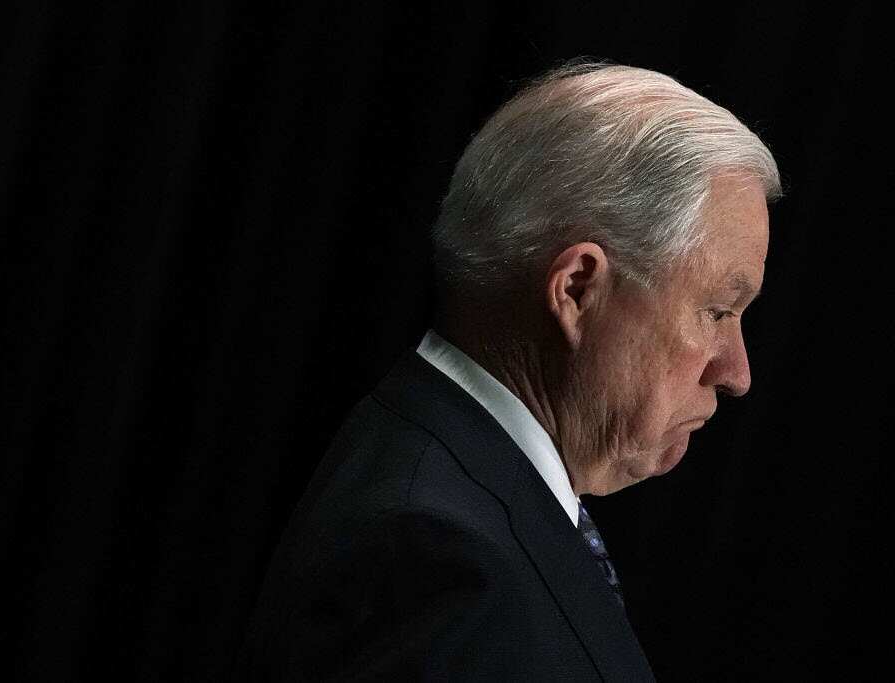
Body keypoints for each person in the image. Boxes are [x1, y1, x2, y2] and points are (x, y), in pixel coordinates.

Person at [235, 59, 781, 681]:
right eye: (717, 310)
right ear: (577, 289)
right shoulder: (442, 559)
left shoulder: (455, 482)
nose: (736, 372)